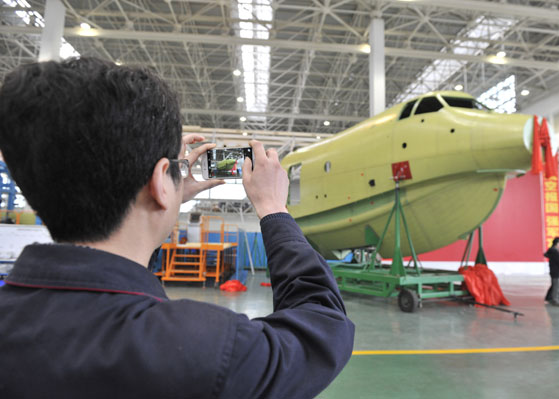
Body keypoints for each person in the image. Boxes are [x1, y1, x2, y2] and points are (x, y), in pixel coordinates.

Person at [0, 57, 354, 398]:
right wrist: (274, 209)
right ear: (159, 182)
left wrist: (157, 202)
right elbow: (323, 327)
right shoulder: (208, 347)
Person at [544, 237, 559, 306]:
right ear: (557, 243)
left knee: (555, 285)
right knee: (557, 286)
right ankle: (555, 300)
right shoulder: (554, 251)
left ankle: (552, 298)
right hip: (556, 271)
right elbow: (558, 261)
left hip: (556, 271)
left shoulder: (555, 250)